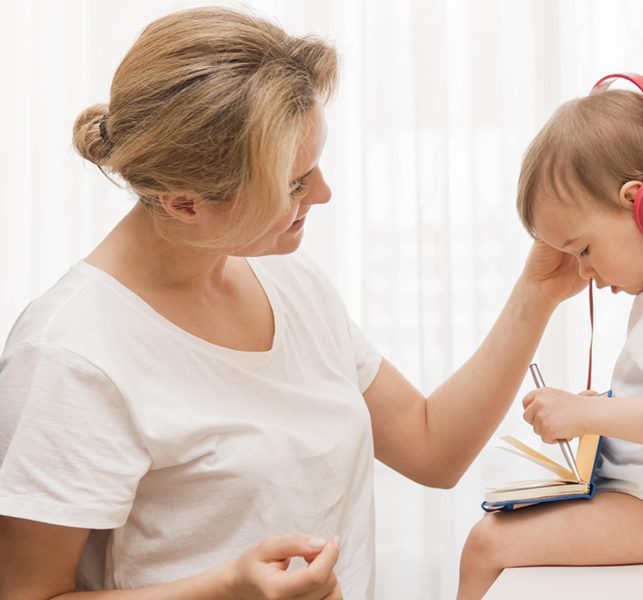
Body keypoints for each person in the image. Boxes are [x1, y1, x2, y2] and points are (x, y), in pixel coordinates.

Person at [0, 7, 587, 600]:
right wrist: (229, 587)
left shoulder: (288, 283)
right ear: (184, 203)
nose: (324, 193)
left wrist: (538, 293)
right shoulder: (69, 357)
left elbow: (432, 448)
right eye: (294, 183)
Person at [457, 75, 643, 598]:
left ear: (641, 203)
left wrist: (585, 415)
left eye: (582, 249)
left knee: (488, 543)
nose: (583, 273)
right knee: (493, 535)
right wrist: (601, 411)